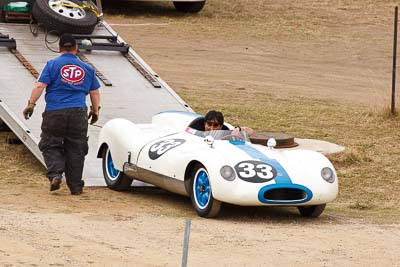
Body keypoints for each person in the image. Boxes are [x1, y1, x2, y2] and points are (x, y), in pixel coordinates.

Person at [22, 33, 100, 195]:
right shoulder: (87, 68)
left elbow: (39, 86)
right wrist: (95, 110)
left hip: (55, 111)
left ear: (59, 48)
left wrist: (31, 104)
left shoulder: (52, 64)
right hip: (78, 112)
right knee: (77, 148)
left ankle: (56, 175)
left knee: (50, 144)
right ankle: (76, 187)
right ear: (76, 48)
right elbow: (95, 93)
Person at [189, 110, 254, 136]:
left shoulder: (225, 130)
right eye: (209, 124)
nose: (211, 128)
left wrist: (238, 129)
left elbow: (251, 131)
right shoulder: (196, 124)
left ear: (221, 126)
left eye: (215, 125)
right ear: (205, 123)